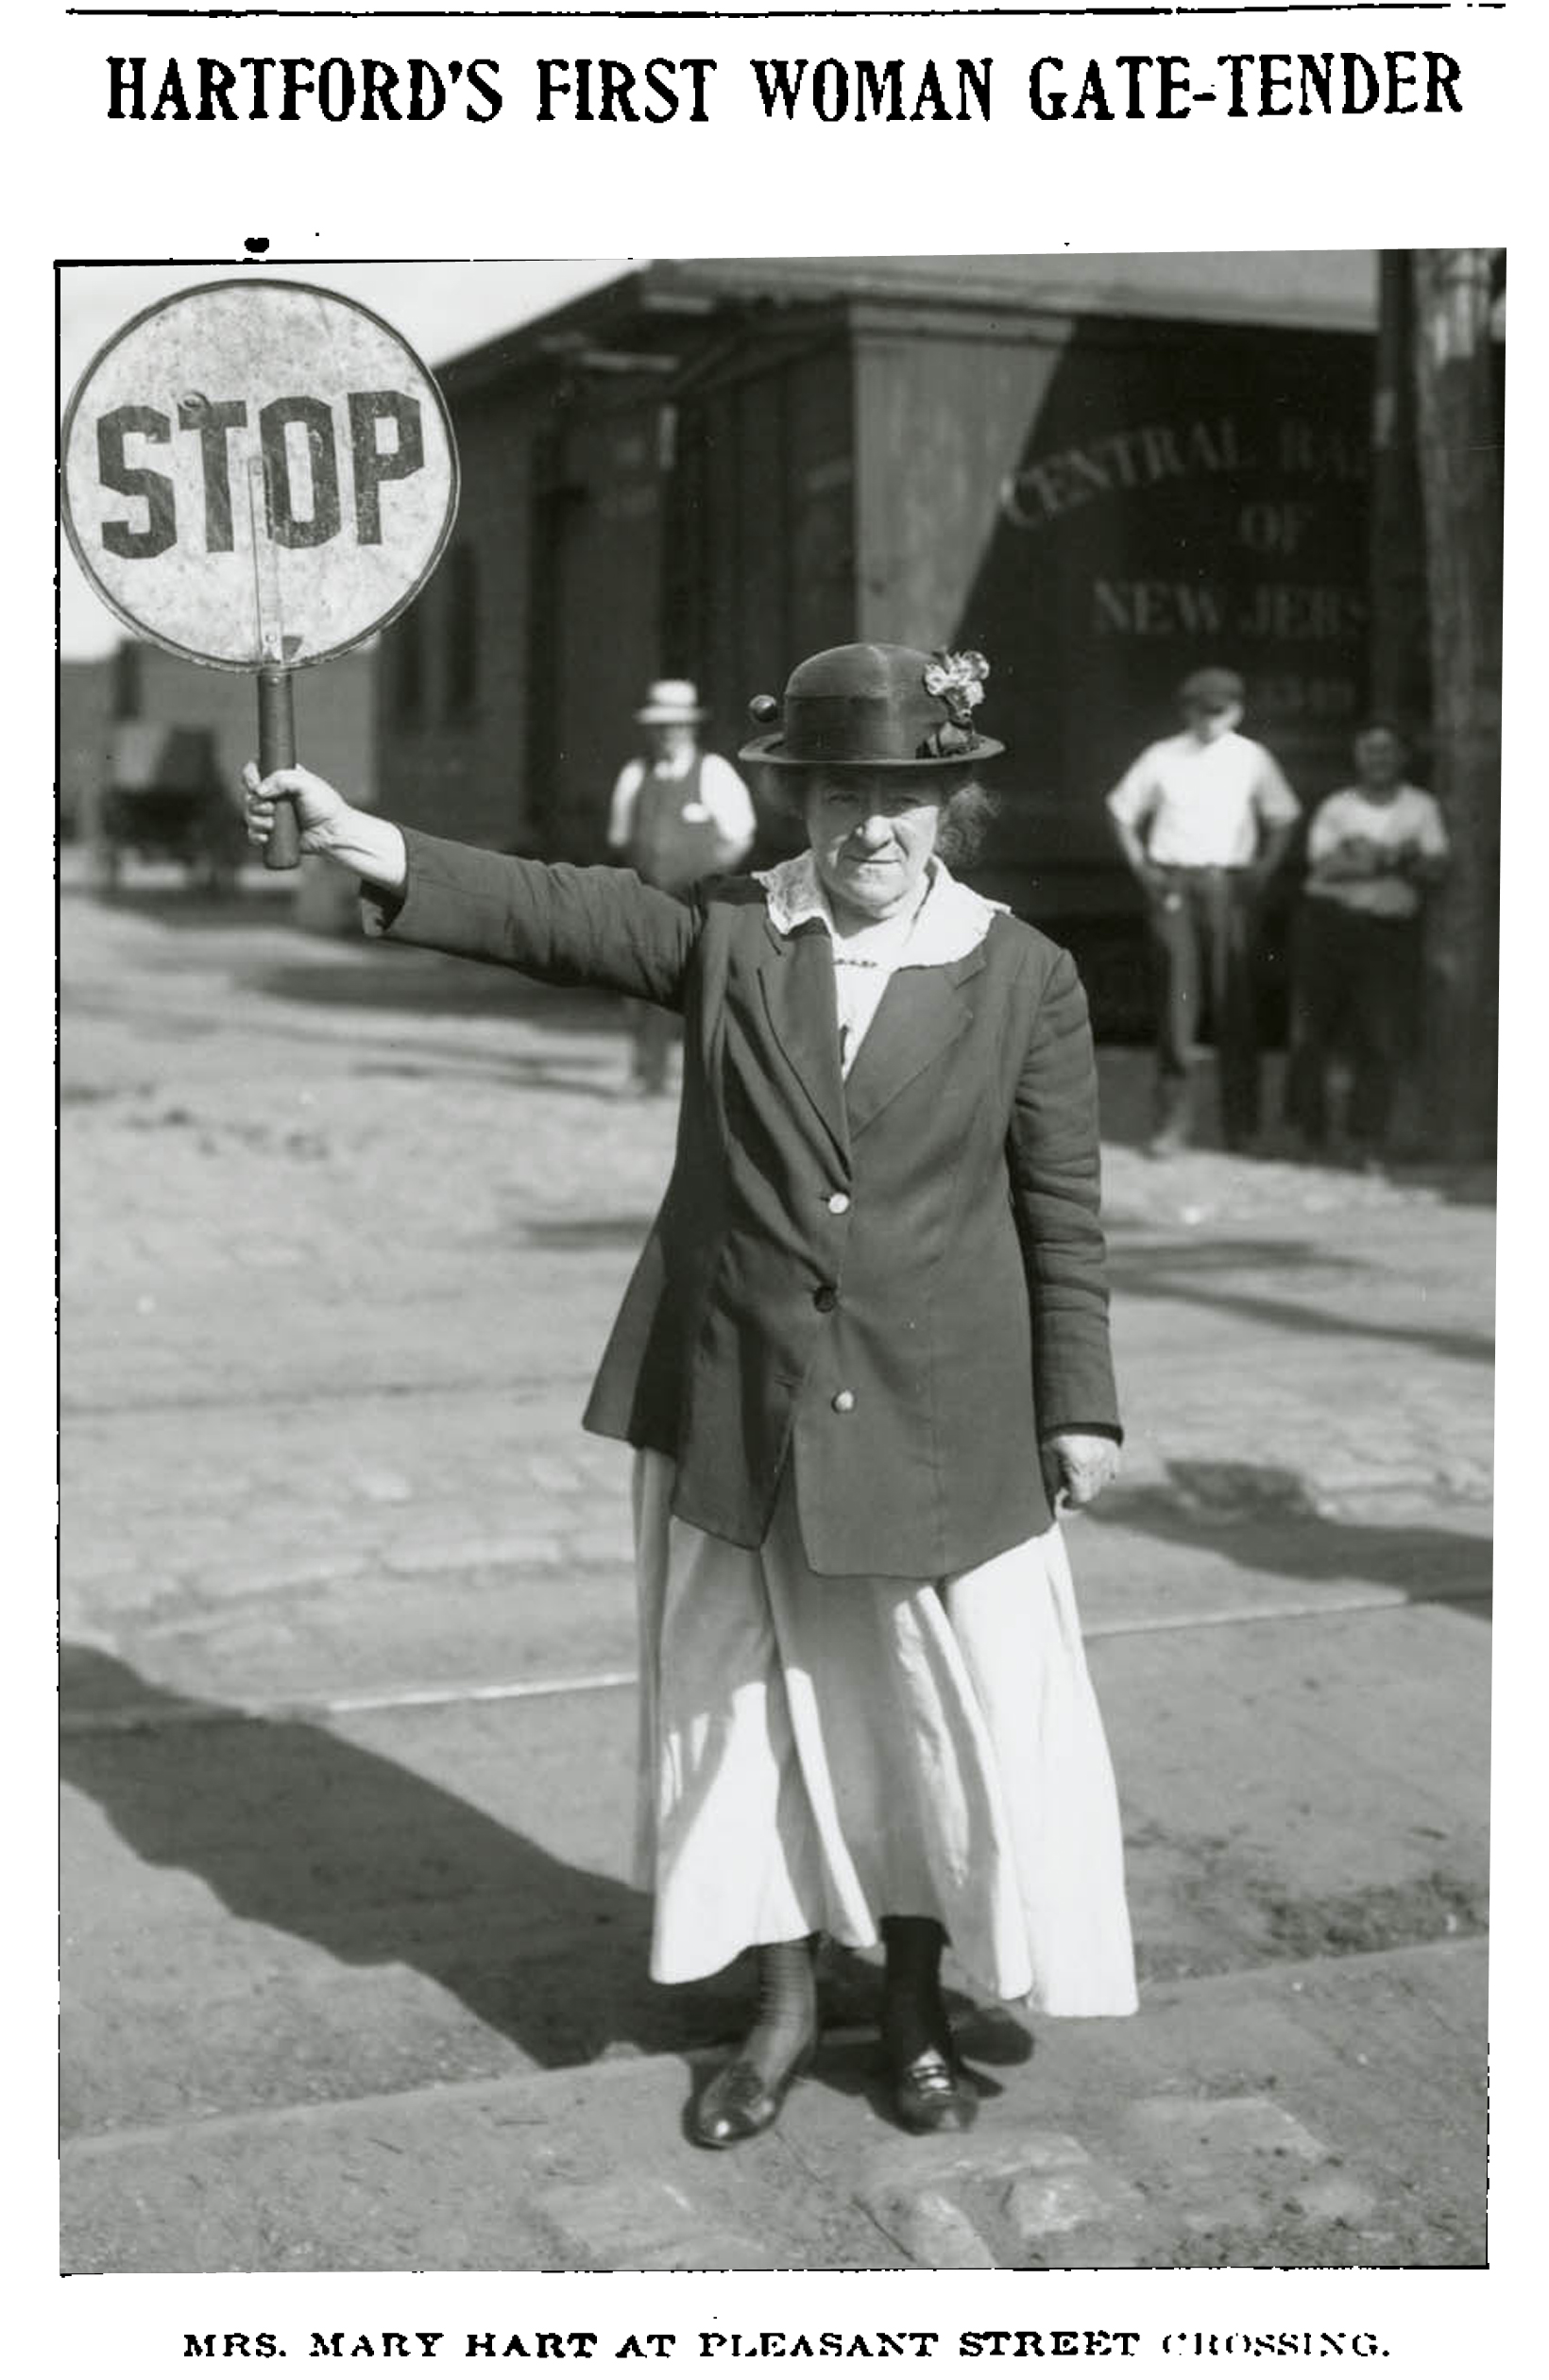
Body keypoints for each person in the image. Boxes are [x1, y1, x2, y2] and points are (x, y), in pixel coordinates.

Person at [243, 640, 1136, 2150]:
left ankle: (913, 2003)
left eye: (902, 800)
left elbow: (1062, 1204)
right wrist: (355, 837)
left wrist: (1081, 1403)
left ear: (950, 812)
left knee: (930, 1723)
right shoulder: (733, 930)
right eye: (840, 796)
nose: (870, 828)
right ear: (800, 804)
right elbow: (554, 910)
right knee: (749, 1723)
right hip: (740, 1402)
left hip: (941, 1420)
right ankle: (778, 2009)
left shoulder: (1024, 974)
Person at [1106, 667, 1300, 1156]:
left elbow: (1283, 815)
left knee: (1236, 1004)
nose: (1209, 721)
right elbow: (1121, 809)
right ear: (1186, 710)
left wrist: (1264, 868)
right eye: (1200, 710)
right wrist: (1143, 868)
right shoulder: (1162, 756)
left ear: (1236, 711)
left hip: (1227, 886)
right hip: (1174, 883)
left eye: (1219, 711)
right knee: (1177, 1005)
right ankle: (1172, 1125)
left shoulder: (1252, 758)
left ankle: (1243, 1126)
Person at [1285, 724, 1449, 1168]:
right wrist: (1397, 857)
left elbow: (1436, 866)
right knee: (1312, 1031)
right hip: (1329, 925)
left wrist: (1363, 854)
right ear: (1357, 756)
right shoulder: (1337, 807)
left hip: (1385, 932)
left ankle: (1366, 1138)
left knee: (1380, 1036)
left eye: (1387, 750)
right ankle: (1310, 1134)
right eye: (1369, 749)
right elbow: (1326, 866)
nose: (1378, 758)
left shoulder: (1421, 807)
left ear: (1402, 756)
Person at [606, 678, 757, 1093]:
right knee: (637, 983)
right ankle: (644, 1071)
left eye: (676, 726)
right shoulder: (635, 774)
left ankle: (696, 1077)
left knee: (697, 987)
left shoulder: (713, 772)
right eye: (660, 727)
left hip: (694, 902)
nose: (667, 735)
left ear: (690, 728)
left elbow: (740, 835)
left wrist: (709, 877)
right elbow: (621, 836)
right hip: (645, 898)